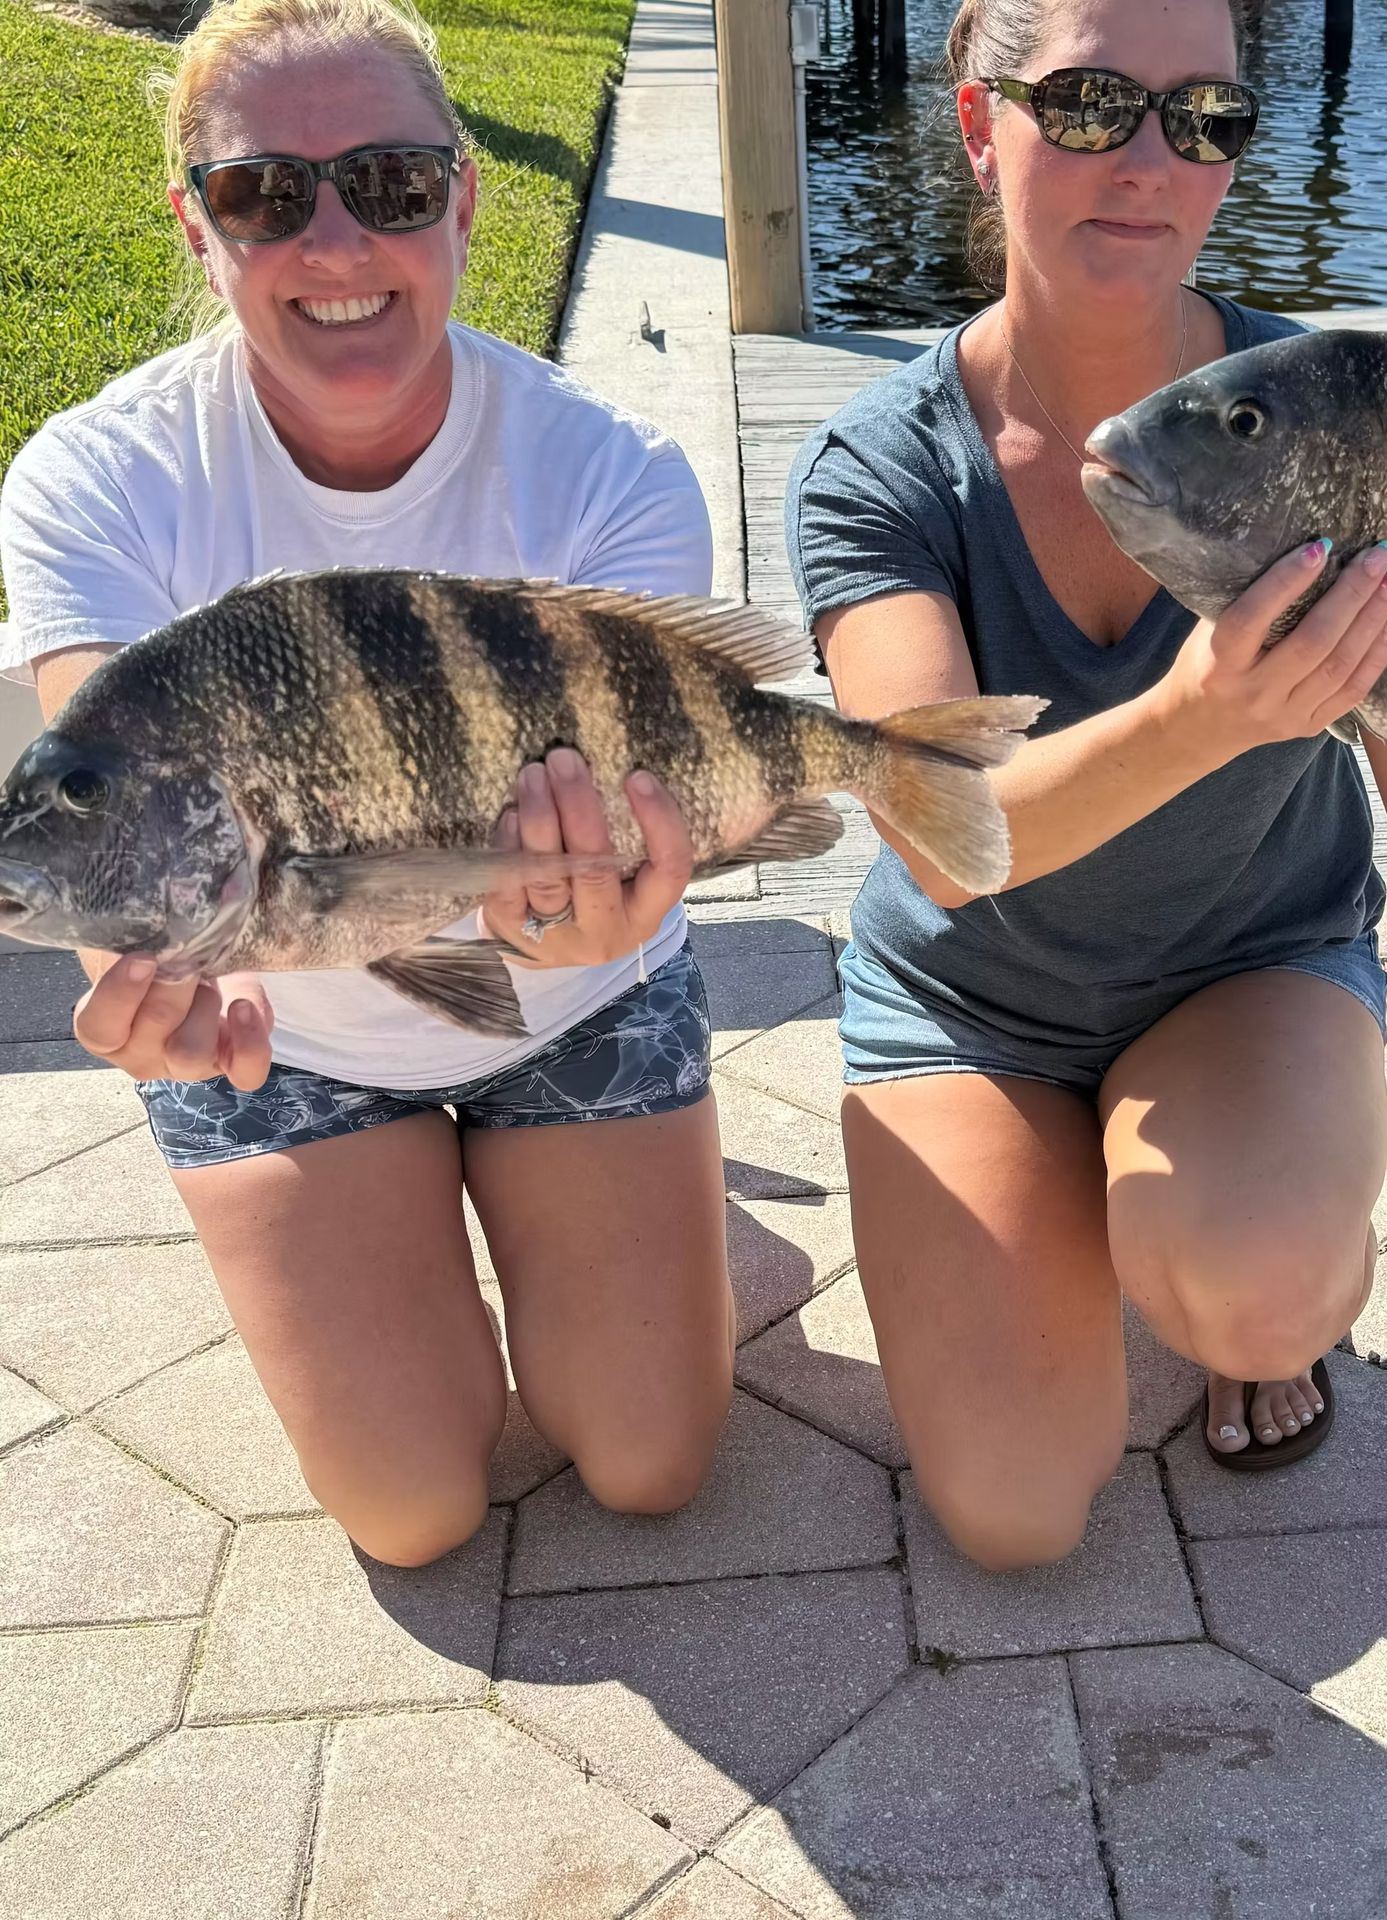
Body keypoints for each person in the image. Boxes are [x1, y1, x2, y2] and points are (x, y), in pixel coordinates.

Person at [787, 0, 1387, 1568]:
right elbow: (944, 842)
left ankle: (1229, 1268)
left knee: (1254, 1276)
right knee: (1013, 1512)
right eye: (1086, 105)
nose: (1148, 160)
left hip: (1247, 969)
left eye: (1204, 117)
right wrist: (1211, 709)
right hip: (973, 999)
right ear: (975, 121)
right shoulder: (881, 470)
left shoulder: (1340, 424)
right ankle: (1072, 1194)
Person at [0, 0, 732, 1566]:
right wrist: (135, 978)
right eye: (269, 194)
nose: (336, 241)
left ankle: (627, 1214)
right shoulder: (95, 479)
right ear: (198, 225)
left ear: (466, 198)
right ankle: (438, 1230)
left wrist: (597, 917)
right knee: (415, 1507)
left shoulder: (611, 477)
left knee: (648, 1461)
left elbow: (650, 806)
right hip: (283, 1045)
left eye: (392, 185)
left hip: (578, 999)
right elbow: (105, 785)